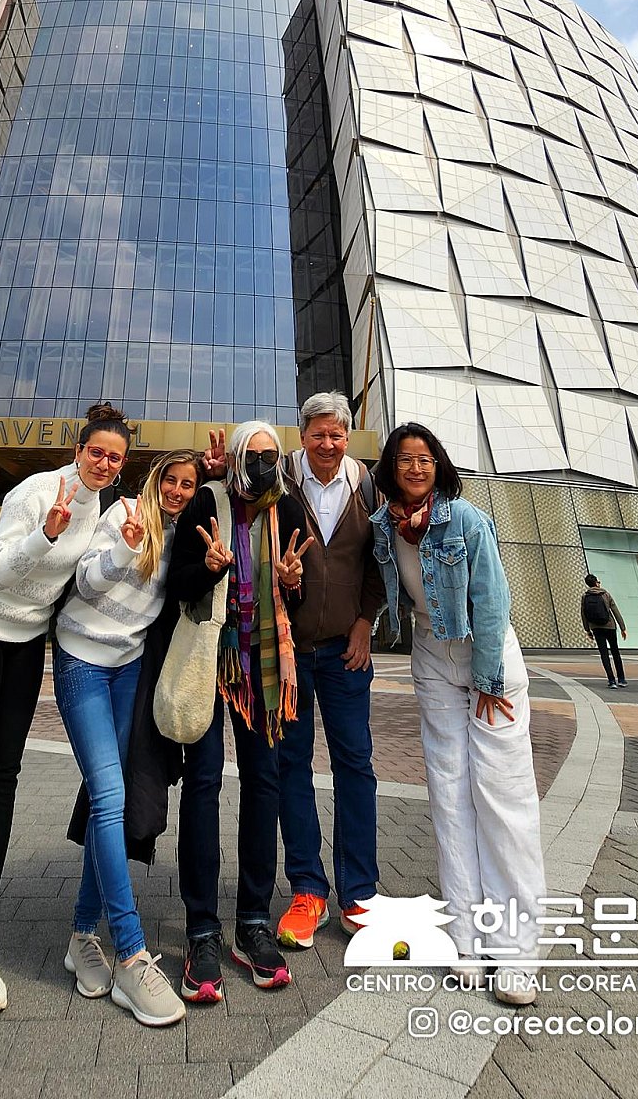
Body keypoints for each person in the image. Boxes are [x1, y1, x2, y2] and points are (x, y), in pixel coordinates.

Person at [0, 402, 132, 1039]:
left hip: (26, 641)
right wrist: (46, 534)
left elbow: (84, 582)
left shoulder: (103, 508)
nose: (103, 463)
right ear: (78, 450)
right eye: (96, 451)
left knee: (3, 784)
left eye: (115, 457)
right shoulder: (38, 492)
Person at [370, 422, 546, 1009]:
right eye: (404, 459)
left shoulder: (466, 520)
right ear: (391, 468)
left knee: (503, 796)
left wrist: (489, 678)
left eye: (425, 459)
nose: (415, 468)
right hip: (431, 656)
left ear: (438, 465)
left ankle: (516, 952)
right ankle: (466, 938)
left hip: (485, 656)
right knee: (448, 795)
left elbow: (493, 600)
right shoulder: (384, 524)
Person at [52, 450, 205, 1028]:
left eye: (188, 484)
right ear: (155, 479)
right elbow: (85, 582)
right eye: (172, 480)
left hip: (130, 670)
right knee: (110, 797)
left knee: (105, 804)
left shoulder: (182, 534)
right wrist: (125, 547)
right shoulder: (123, 514)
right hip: (83, 663)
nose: (178, 491)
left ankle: (80, 935)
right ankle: (132, 952)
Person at [167, 421, 311, 1003]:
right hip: (211, 656)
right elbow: (177, 581)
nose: (262, 464)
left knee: (264, 782)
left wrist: (293, 582)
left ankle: (253, 919)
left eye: (271, 455)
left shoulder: (288, 508)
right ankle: (202, 928)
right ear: (235, 457)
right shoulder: (208, 501)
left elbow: (299, 590)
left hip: (264, 663)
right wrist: (209, 568)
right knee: (203, 782)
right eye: (253, 455)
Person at [273, 391, 384, 949]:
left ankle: (358, 892)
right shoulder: (279, 483)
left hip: (346, 652)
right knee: (291, 764)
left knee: (355, 765)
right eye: (317, 434)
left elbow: (380, 561)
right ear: (302, 436)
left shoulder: (366, 486)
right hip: (290, 653)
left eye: (336, 435)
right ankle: (307, 889)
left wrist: (366, 621)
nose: (327, 443)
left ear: (347, 437)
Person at [581, 573, 627, 689]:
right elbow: (615, 610)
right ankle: (621, 679)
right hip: (609, 626)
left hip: (596, 627)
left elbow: (583, 614)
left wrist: (587, 630)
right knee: (615, 652)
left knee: (604, 654)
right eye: (598, 581)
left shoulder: (585, 596)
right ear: (596, 583)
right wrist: (622, 627)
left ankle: (611, 680)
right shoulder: (605, 594)